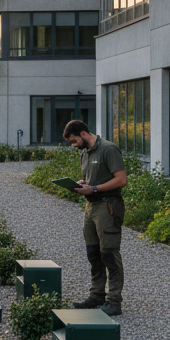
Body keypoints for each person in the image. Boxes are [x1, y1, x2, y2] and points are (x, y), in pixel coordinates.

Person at [62, 119, 128, 316]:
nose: (73, 146)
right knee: (93, 253)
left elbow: (121, 179)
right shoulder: (84, 153)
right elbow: (93, 178)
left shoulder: (108, 149)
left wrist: (95, 188)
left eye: (74, 141)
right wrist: (82, 183)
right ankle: (97, 295)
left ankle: (114, 301)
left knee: (109, 252)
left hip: (108, 206)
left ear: (83, 134)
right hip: (90, 207)